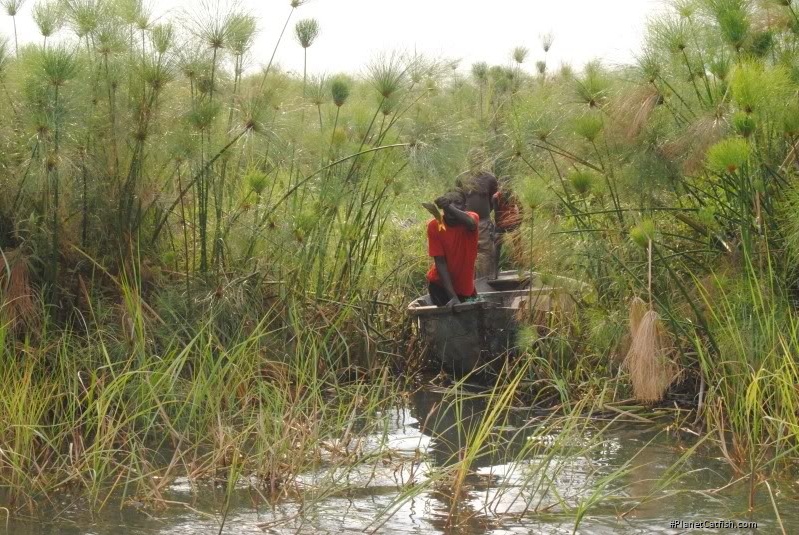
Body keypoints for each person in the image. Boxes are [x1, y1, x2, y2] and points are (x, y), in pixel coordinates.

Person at [426, 190, 479, 307]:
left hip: (465, 288)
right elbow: (440, 262)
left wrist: (448, 206)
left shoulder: (471, 218)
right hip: (441, 287)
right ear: (442, 207)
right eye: (449, 202)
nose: (452, 206)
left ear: (465, 207)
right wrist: (453, 297)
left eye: (457, 202)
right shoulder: (435, 226)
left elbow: (471, 223)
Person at [455, 150, 498, 280]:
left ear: (483, 161)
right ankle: (469, 283)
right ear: (469, 161)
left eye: (479, 158)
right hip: (466, 223)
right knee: (468, 252)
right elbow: (458, 200)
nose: (476, 161)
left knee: (486, 253)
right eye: (473, 159)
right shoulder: (461, 179)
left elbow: (494, 200)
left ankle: (486, 281)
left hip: (484, 222)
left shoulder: (490, 179)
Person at [493, 176, 523, 277]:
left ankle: (495, 272)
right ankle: (520, 271)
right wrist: (519, 222)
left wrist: (497, 228)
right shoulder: (498, 197)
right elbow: (522, 209)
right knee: (517, 247)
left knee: (498, 246)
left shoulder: (497, 196)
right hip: (509, 223)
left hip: (507, 223)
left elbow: (497, 215)